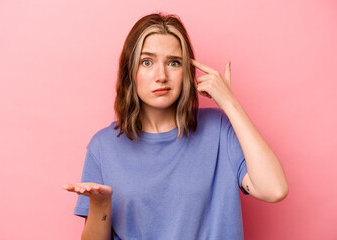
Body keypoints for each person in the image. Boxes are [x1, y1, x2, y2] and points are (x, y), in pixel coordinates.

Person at [63, 12, 288, 240]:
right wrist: (100, 205)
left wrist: (229, 103)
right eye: (147, 62)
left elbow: (274, 190)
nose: (162, 76)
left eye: (173, 62)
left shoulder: (219, 129)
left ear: (186, 73)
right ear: (130, 71)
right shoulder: (103, 147)